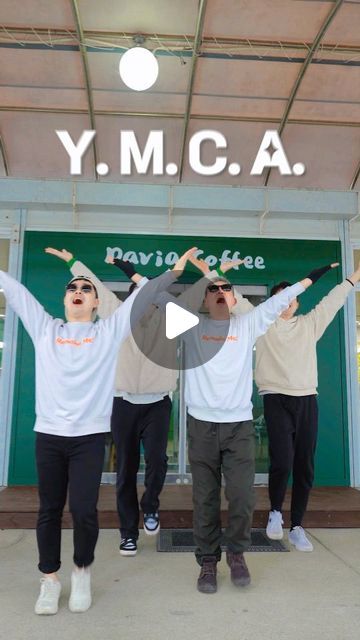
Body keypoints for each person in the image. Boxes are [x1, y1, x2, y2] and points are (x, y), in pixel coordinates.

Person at [0, 247, 194, 615]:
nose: (78, 290)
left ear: (95, 303)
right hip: (50, 436)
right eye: (73, 287)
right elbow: (17, 292)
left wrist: (174, 272)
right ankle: (50, 578)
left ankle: (82, 571)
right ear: (65, 299)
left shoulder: (107, 332)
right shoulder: (46, 329)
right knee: (49, 510)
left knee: (85, 510)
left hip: (89, 438)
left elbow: (147, 295)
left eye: (86, 289)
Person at [45, 247, 242, 556]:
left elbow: (196, 294)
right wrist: (73, 261)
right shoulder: (117, 316)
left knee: (157, 460)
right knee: (125, 468)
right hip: (122, 403)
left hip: (157, 403)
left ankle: (150, 506)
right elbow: (92, 280)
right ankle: (128, 532)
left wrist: (215, 274)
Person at [166, 260, 314, 593]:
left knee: (242, 497)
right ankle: (207, 561)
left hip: (238, 427)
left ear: (235, 298)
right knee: (204, 499)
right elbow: (165, 304)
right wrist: (205, 276)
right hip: (202, 426)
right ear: (205, 300)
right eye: (212, 290)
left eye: (225, 289)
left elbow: (280, 300)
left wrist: (312, 277)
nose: (219, 293)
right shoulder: (190, 326)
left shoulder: (248, 325)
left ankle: (236, 554)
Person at [253, 262, 360, 551]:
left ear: (298, 303)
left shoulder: (309, 324)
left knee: (304, 466)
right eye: (281, 299)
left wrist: (354, 276)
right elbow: (233, 301)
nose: (287, 304)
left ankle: (297, 525)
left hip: (306, 399)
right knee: (282, 460)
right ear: (272, 302)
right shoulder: (260, 324)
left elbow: (333, 300)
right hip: (275, 397)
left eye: (292, 299)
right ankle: (275, 512)